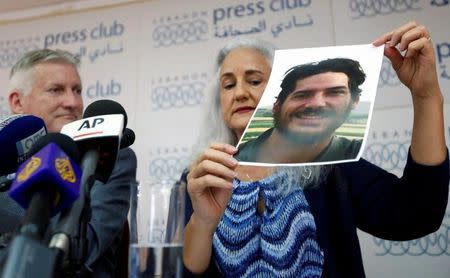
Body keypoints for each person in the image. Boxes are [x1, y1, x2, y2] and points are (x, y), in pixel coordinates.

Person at [181, 21, 449, 277]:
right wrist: (203, 224)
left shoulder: (328, 161)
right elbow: (186, 271)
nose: (239, 93)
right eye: (228, 85)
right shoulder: (201, 176)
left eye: (254, 81)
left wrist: (425, 95)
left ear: (279, 93)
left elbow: (417, 213)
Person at [1, 49, 137, 277]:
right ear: (17, 101)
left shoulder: (108, 154)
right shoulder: (4, 156)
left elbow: (78, 248)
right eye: (56, 90)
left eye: (77, 91)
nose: (73, 102)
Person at [237, 57, 367, 164]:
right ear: (276, 106)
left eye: (334, 93)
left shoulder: (357, 154)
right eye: (302, 95)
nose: (317, 104)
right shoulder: (234, 159)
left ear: (354, 101)